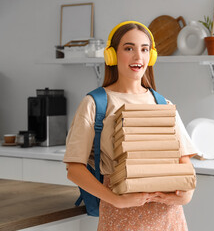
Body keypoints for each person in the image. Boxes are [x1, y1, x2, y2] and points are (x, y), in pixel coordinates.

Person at [63, 21, 197, 231]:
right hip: (120, 214)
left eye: (144, 49)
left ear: (151, 57)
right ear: (112, 56)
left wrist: (185, 195)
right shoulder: (95, 104)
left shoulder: (164, 104)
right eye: (129, 48)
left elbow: (184, 162)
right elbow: (74, 169)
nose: (138, 57)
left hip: (168, 216)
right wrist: (116, 200)